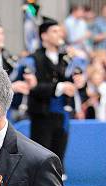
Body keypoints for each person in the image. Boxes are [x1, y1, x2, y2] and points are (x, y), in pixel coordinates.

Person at [28, 17, 76, 166]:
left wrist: (79, 81)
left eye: (60, 31)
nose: (59, 35)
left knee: (59, 159)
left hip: (62, 115)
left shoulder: (66, 59)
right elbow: (33, 88)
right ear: (44, 36)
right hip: (42, 115)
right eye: (54, 31)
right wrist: (60, 87)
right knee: (42, 159)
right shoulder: (35, 59)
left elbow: (75, 81)